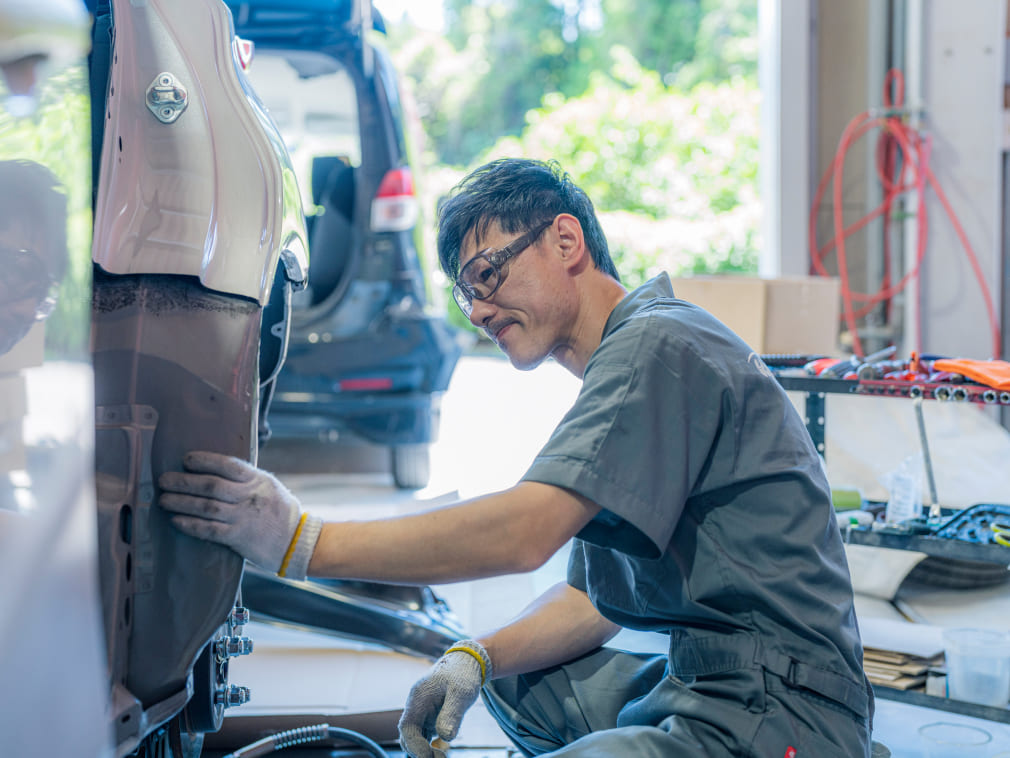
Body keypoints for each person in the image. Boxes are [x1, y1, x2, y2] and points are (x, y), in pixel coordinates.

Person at [158, 158, 874, 758]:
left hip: (786, 706)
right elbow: (591, 600)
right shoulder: (634, 365)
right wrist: (475, 656)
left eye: (489, 273)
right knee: (509, 677)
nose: (476, 309)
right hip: (700, 680)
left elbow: (524, 531)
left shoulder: (659, 346)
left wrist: (302, 540)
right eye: (466, 292)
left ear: (566, 240)